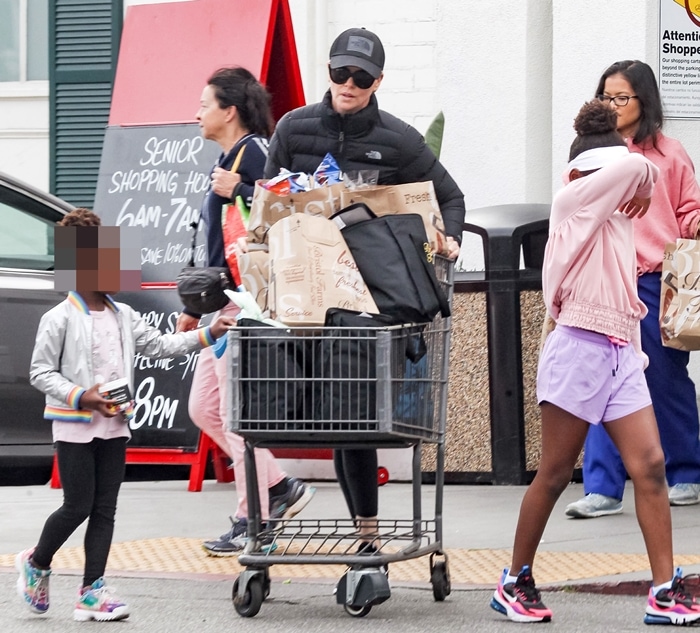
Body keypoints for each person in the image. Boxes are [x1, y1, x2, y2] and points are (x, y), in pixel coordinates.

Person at [490, 99, 700, 626]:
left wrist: (642, 183)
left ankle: (662, 591)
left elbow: (636, 167)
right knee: (557, 472)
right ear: (586, 173)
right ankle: (514, 580)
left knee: (650, 466)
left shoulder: (613, 213)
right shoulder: (573, 199)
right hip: (578, 347)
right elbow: (633, 166)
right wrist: (644, 180)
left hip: (622, 348)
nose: (627, 190)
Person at [262, 28, 465, 549]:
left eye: (361, 77)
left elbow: (449, 197)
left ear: (377, 82)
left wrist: (451, 239)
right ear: (328, 71)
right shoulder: (293, 129)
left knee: (353, 415)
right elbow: (266, 202)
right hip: (303, 295)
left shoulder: (398, 140)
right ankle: (262, 516)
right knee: (298, 410)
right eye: (340, 73)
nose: (348, 84)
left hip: (368, 301)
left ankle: (367, 536)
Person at [17, 208, 236, 621]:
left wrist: (210, 332)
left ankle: (91, 591)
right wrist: (83, 396)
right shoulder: (58, 318)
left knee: (105, 508)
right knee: (77, 505)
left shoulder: (124, 316)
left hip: (116, 424)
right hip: (76, 425)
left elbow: (162, 346)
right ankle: (38, 562)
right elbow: (40, 372)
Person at [176, 66, 315, 556]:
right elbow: (218, 244)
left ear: (228, 110)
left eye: (204, 103)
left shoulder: (255, 152)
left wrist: (236, 188)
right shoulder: (229, 159)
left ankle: (250, 514)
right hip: (221, 306)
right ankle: (277, 487)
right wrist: (196, 307)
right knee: (205, 408)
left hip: (246, 305)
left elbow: (291, 211)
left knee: (234, 412)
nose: (196, 113)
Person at [565, 60, 700, 519]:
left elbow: (688, 211)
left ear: (645, 101)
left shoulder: (671, 153)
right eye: (606, 97)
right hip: (607, 281)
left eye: (622, 97)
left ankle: (686, 474)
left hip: (658, 279)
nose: (613, 105)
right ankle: (602, 486)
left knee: (666, 378)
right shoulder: (593, 156)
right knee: (605, 380)